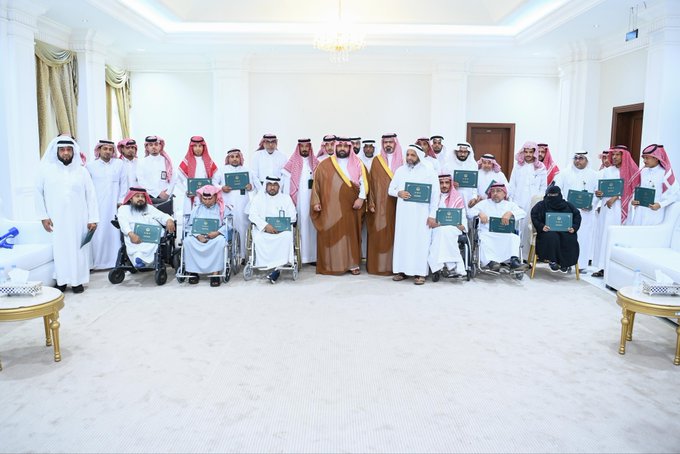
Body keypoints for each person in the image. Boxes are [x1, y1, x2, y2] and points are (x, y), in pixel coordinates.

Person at [36, 135, 99, 293]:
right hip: (56, 219)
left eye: (69, 150)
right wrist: (43, 216)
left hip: (79, 218)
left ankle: (77, 281)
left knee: (79, 250)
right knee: (60, 250)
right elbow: (38, 194)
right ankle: (62, 280)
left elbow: (91, 195)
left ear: (73, 152)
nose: (65, 153)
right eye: (62, 150)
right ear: (56, 152)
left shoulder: (82, 171)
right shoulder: (45, 171)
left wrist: (93, 218)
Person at [311, 137, 368, 275]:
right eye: (340, 146)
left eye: (345, 146)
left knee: (350, 234)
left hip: (351, 205)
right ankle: (333, 263)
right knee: (333, 233)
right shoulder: (324, 164)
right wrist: (316, 202)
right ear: (336, 147)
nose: (342, 149)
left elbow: (364, 182)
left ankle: (353, 264)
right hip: (330, 206)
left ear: (349, 147)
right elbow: (316, 184)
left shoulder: (358, 163)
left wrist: (361, 199)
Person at [389, 144, 440, 285]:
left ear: (419, 156)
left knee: (420, 242)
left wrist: (432, 214)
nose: (409, 158)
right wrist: (398, 193)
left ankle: (420, 273)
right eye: (408, 155)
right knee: (403, 241)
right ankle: (401, 271)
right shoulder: (400, 170)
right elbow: (390, 189)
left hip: (421, 214)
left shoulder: (429, 171)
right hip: (403, 214)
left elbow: (435, 195)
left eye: (413, 155)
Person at [591, 145, 639, 278]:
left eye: (618, 154)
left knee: (616, 236)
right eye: (613, 154)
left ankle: (614, 269)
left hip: (621, 209)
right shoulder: (607, 171)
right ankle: (602, 267)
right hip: (606, 209)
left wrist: (616, 197)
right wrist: (599, 193)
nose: (615, 157)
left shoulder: (632, 171)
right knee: (604, 235)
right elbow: (601, 188)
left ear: (624, 156)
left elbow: (633, 191)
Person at [553, 151, 599, 273]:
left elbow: (598, 194)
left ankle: (581, 264)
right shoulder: (564, 173)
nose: (578, 161)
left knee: (583, 238)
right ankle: (565, 263)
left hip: (585, 213)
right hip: (567, 212)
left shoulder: (594, 175)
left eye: (581, 158)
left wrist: (591, 204)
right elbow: (557, 190)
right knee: (566, 237)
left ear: (587, 160)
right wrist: (564, 204)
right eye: (576, 158)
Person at [467, 182, 527, 271]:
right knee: (483, 238)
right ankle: (491, 262)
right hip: (487, 232)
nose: (495, 193)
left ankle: (514, 261)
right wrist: (479, 213)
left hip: (505, 233)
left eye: (498, 191)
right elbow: (469, 213)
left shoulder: (510, 205)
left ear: (504, 194)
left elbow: (523, 213)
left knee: (514, 237)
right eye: (493, 191)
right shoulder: (484, 203)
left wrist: (510, 213)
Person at [366, 133, 403, 275]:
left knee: (397, 234)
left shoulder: (403, 160)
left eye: (390, 142)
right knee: (379, 233)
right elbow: (371, 183)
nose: (388, 144)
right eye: (385, 142)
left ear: (395, 143)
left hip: (399, 204)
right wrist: (371, 202)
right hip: (380, 204)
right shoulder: (377, 160)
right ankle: (378, 266)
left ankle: (397, 267)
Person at [248, 175, 297, 284]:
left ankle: (277, 269)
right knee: (259, 238)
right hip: (263, 230)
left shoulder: (286, 198)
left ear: (279, 186)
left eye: (275, 185)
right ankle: (270, 266)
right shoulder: (258, 198)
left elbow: (293, 216)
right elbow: (252, 215)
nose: (272, 187)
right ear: (266, 186)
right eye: (270, 184)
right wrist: (265, 226)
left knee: (287, 237)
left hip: (282, 232)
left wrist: (282, 227)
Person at [87, 139, 128, 270]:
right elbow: (88, 188)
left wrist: (121, 201)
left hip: (114, 206)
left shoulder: (119, 164)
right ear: (99, 150)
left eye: (110, 149)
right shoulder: (90, 166)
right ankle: (98, 262)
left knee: (114, 232)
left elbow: (124, 183)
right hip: (97, 206)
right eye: (105, 149)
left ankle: (114, 261)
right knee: (99, 233)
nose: (108, 152)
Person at [214, 148, 258, 258]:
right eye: (232, 157)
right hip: (228, 204)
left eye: (237, 157)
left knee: (243, 227)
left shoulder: (247, 170)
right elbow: (213, 183)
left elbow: (255, 186)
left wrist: (251, 187)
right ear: (228, 158)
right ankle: (228, 256)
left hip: (243, 204)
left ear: (240, 158)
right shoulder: (222, 170)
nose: (234, 159)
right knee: (228, 225)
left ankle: (243, 255)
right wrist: (221, 187)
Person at [183, 185, 231, 287]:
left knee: (220, 241)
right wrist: (197, 235)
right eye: (205, 199)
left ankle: (215, 273)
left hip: (215, 236)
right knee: (188, 241)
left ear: (216, 197)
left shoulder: (223, 208)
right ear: (201, 198)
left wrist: (217, 233)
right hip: (199, 236)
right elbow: (189, 226)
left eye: (210, 199)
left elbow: (229, 225)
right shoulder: (196, 209)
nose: (207, 201)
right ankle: (193, 272)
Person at [281, 138, 319, 264]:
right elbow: (287, 185)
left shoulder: (316, 163)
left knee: (313, 227)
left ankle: (313, 257)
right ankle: (300, 256)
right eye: (302, 146)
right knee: (301, 226)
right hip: (299, 202)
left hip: (313, 200)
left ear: (310, 148)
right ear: (298, 148)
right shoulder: (291, 164)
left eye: (307, 146)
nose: (304, 149)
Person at [116, 187, 176, 268]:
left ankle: (144, 262)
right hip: (134, 236)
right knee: (137, 249)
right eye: (137, 196)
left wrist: (169, 220)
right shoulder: (124, 209)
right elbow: (123, 223)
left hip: (152, 236)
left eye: (142, 197)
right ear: (130, 198)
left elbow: (162, 216)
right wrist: (131, 234)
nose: (140, 199)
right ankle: (139, 260)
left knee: (153, 245)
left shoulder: (149, 208)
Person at [508, 141, 547, 260]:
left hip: (533, 203)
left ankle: (526, 257)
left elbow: (543, 187)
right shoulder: (518, 166)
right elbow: (512, 184)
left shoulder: (540, 167)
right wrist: (511, 201)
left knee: (529, 229)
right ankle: (513, 256)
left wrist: (539, 202)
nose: (528, 154)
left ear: (535, 153)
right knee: (516, 228)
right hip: (518, 202)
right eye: (526, 152)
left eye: (531, 152)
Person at [530, 185, 581, 272]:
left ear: (560, 195)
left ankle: (565, 263)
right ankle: (552, 261)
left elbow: (577, 215)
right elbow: (534, 215)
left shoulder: (568, 205)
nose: (553, 197)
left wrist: (574, 227)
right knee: (552, 237)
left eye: (555, 195)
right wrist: (541, 226)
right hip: (547, 231)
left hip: (565, 231)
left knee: (569, 238)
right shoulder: (541, 205)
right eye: (550, 195)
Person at [627, 144, 678, 226]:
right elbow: (636, 189)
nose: (644, 161)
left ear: (656, 158)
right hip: (640, 212)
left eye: (647, 158)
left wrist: (660, 204)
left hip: (654, 213)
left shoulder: (665, 174)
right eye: (643, 158)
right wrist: (633, 200)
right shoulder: (642, 172)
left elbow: (675, 194)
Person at [428, 173, 467, 277]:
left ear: (450, 184)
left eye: (446, 183)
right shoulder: (433, 197)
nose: (444, 185)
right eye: (441, 183)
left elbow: (462, 216)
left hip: (453, 228)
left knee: (444, 231)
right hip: (435, 227)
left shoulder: (457, 197)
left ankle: (438, 266)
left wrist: (462, 225)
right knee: (441, 232)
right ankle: (454, 265)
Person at [176, 136, 219, 230]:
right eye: (195, 146)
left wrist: (213, 190)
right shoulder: (186, 161)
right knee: (190, 221)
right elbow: (177, 180)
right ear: (191, 147)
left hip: (206, 197)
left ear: (204, 147)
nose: (198, 148)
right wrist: (186, 191)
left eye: (200, 146)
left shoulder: (208, 161)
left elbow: (215, 179)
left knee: (206, 220)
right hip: (191, 197)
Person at [136, 135, 175, 203]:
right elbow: (141, 181)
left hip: (166, 198)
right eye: (151, 145)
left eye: (156, 144)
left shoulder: (167, 162)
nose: (153, 147)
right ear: (147, 147)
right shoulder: (141, 162)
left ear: (160, 146)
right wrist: (158, 193)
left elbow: (173, 179)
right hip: (148, 198)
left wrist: (168, 193)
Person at [449, 142, 478, 206]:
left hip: (469, 198)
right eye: (460, 151)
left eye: (465, 152)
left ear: (469, 153)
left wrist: (474, 197)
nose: (462, 154)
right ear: (456, 152)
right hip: (453, 197)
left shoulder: (473, 165)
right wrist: (451, 184)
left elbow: (475, 185)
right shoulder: (448, 165)